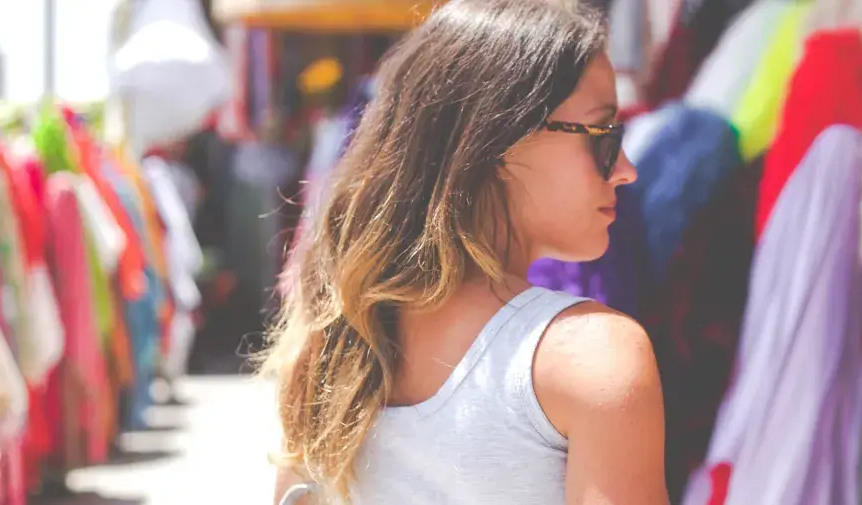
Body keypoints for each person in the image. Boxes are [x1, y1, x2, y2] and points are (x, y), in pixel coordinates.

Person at [259, 1, 667, 503]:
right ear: (503, 139)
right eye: (604, 135)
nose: (626, 168)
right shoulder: (592, 355)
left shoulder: (332, 338)